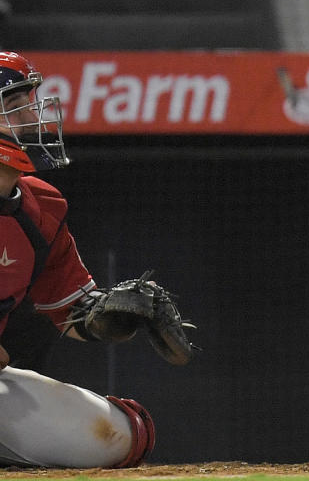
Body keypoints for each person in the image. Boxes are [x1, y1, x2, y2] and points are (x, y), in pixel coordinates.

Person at [0, 51, 195, 468]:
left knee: (118, 437)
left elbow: (73, 310)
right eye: (13, 108)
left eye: (27, 105)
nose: (32, 118)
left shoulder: (42, 206)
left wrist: (120, 311)